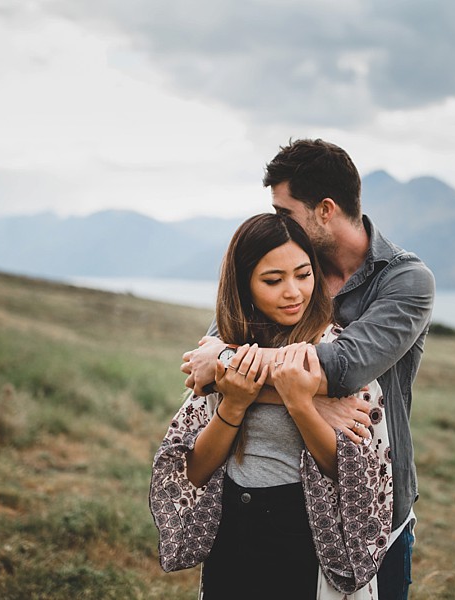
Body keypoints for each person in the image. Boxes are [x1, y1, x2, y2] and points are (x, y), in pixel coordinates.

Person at [182, 139, 435, 599]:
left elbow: (339, 367)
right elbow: (216, 342)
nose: (278, 222)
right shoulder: (293, 262)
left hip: (376, 507)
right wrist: (300, 398)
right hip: (275, 512)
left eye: (285, 210)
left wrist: (226, 363)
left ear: (324, 210)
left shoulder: (404, 280)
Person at [150, 213, 394, 599]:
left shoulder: (335, 356)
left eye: (303, 274)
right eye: (273, 280)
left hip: (306, 540)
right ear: (244, 284)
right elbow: (194, 472)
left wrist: (300, 405)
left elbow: (352, 474)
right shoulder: (231, 354)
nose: (294, 292)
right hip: (231, 535)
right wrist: (233, 405)